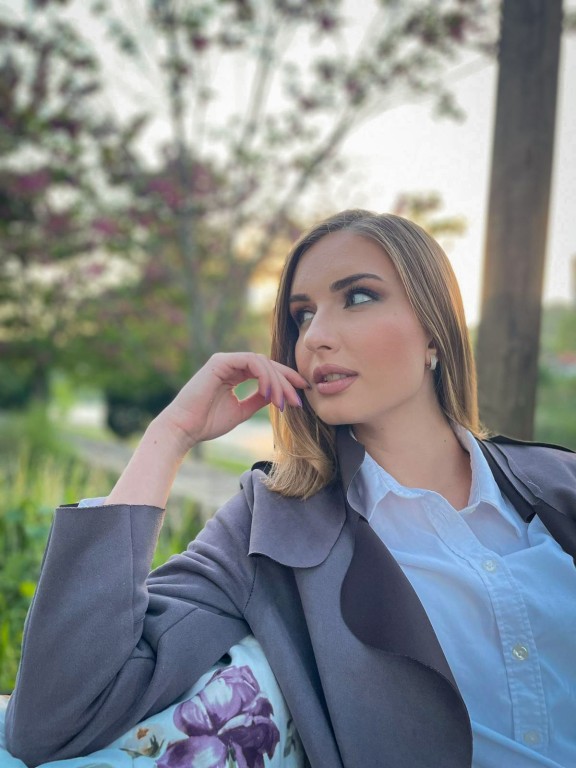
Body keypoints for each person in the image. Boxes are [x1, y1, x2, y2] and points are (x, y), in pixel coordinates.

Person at [4, 209, 576, 768]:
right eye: (302, 316)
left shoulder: (560, 483)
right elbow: (56, 717)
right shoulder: (272, 527)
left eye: (358, 297)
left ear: (434, 331)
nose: (315, 337)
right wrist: (171, 434)